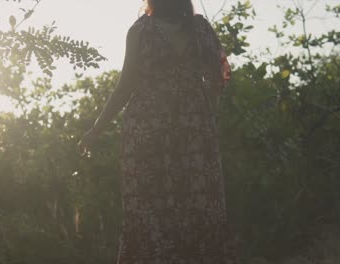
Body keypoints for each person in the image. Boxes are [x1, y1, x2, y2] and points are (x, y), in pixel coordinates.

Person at [77, 0, 236, 262]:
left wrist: (96, 129)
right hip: (180, 133)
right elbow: (218, 79)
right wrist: (203, 116)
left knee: (160, 210)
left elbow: (125, 86)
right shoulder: (193, 29)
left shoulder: (147, 31)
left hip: (153, 131)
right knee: (188, 208)